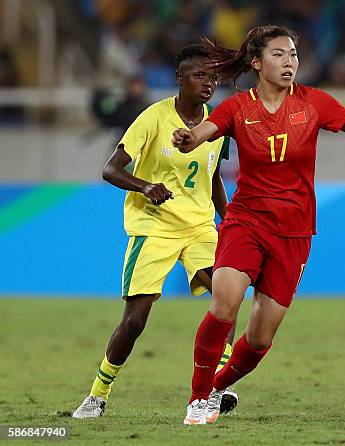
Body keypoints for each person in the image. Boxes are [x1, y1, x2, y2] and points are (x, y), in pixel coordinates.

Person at [172, 26, 345, 425]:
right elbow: (203, 132)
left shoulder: (314, 102)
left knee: (260, 338)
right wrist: (188, 139)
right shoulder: (238, 107)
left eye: (292, 54)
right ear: (257, 63)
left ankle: (218, 387)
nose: (289, 61)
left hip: (294, 231)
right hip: (246, 221)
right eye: (278, 54)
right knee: (224, 302)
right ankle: (198, 397)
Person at [72, 44, 239, 421]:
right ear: (179, 79)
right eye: (200, 76)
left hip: (199, 226)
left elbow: (213, 179)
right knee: (135, 321)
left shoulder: (218, 124)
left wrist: (228, 220)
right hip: (155, 226)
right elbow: (110, 169)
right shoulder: (153, 118)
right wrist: (145, 186)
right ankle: (98, 395)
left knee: (226, 295)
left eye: (213, 77)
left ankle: (218, 385)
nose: (208, 83)